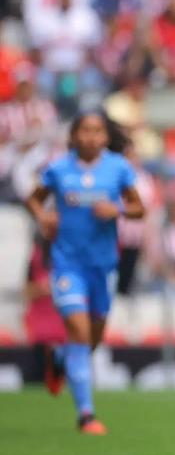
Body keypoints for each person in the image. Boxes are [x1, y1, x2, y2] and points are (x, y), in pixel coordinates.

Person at [25, 112, 145, 434]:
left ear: (105, 137)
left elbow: (139, 208)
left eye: (97, 131)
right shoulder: (59, 169)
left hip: (102, 264)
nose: (91, 137)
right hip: (67, 263)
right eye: (85, 130)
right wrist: (43, 217)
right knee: (78, 329)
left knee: (91, 339)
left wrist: (116, 209)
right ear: (75, 135)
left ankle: (61, 359)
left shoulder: (118, 168)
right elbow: (33, 199)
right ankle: (86, 414)